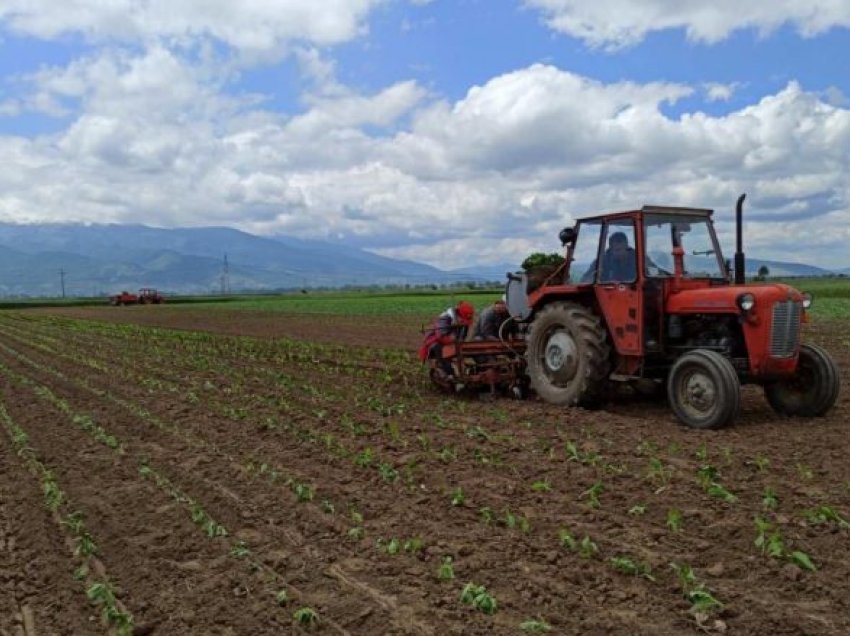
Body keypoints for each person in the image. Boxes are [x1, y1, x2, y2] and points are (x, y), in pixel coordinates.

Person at [418, 300, 475, 378]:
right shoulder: (445, 318)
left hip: (453, 342)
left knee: (460, 352)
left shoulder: (464, 322)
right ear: (459, 314)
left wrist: (458, 342)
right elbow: (440, 336)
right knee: (441, 351)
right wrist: (452, 340)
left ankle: (463, 370)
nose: (465, 322)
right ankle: (449, 374)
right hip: (437, 341)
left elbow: (463, 336)